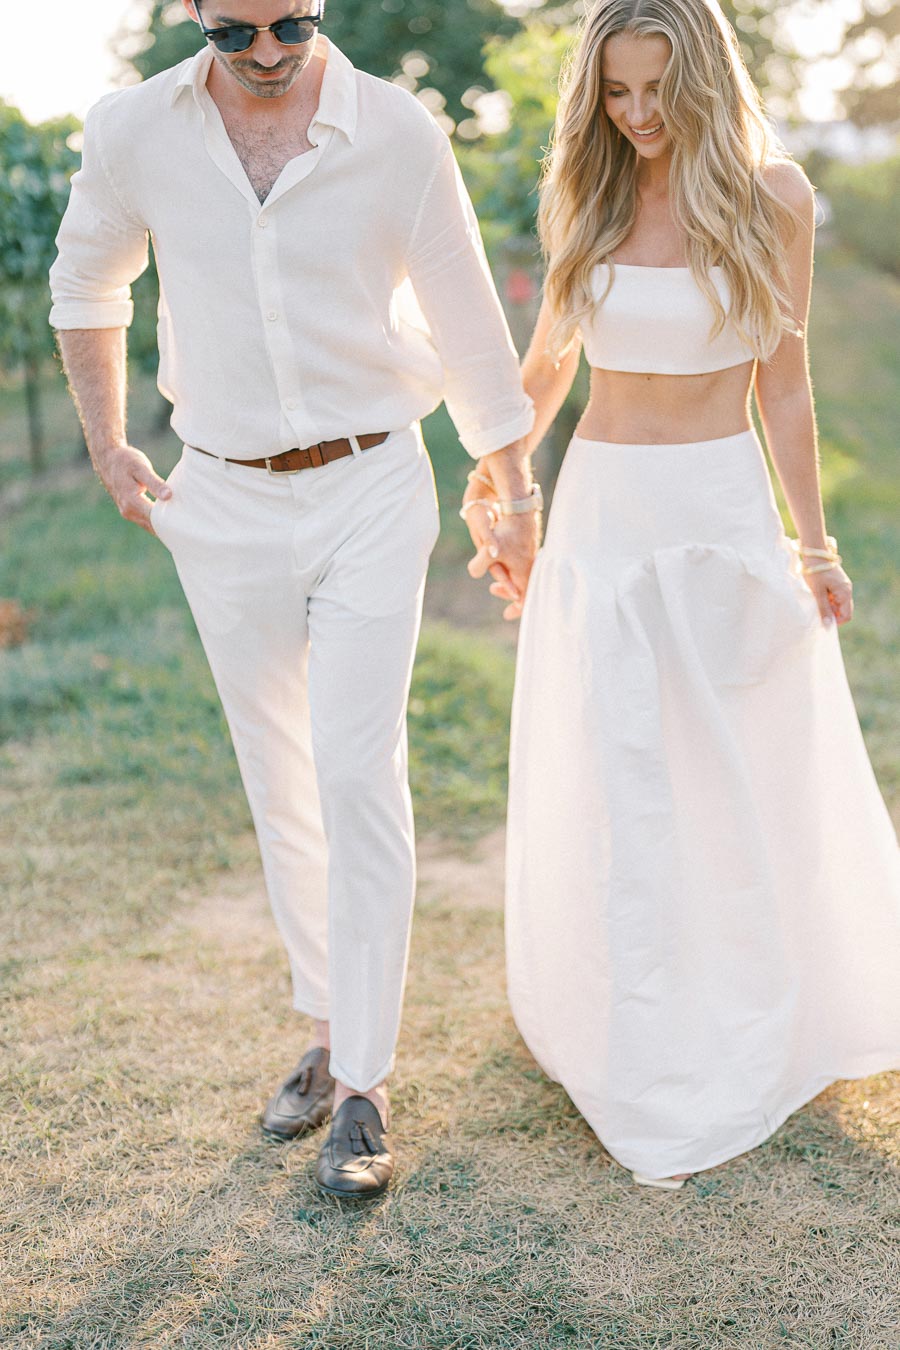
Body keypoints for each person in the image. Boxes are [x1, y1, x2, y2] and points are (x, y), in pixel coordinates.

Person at [49, 0, 540, 1198]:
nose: (267, 54)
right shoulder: (131, 129)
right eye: (236, 33)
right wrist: (109, 445)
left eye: (292, 26)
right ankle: (322, 1030)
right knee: (279, 776)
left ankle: (366, 1087)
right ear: (198, 16)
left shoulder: (400, 133)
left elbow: (471, 318)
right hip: (218, 496)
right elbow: (85, 285)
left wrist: (511, 484)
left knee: (357, 768)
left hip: (373, 478)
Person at [465, 0, 900, 1188]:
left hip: (718, 520)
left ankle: (755, 1004)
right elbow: (549, 362)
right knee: (624, 775)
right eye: (616, 92)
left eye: (658, 90)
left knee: (742, 771)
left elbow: (789, 387)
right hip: (604, 519)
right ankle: (633, 1028)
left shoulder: (777, 199)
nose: (639, 115)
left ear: (704, 79)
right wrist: (503, 482)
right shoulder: (593, 196)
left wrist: (814, 544)